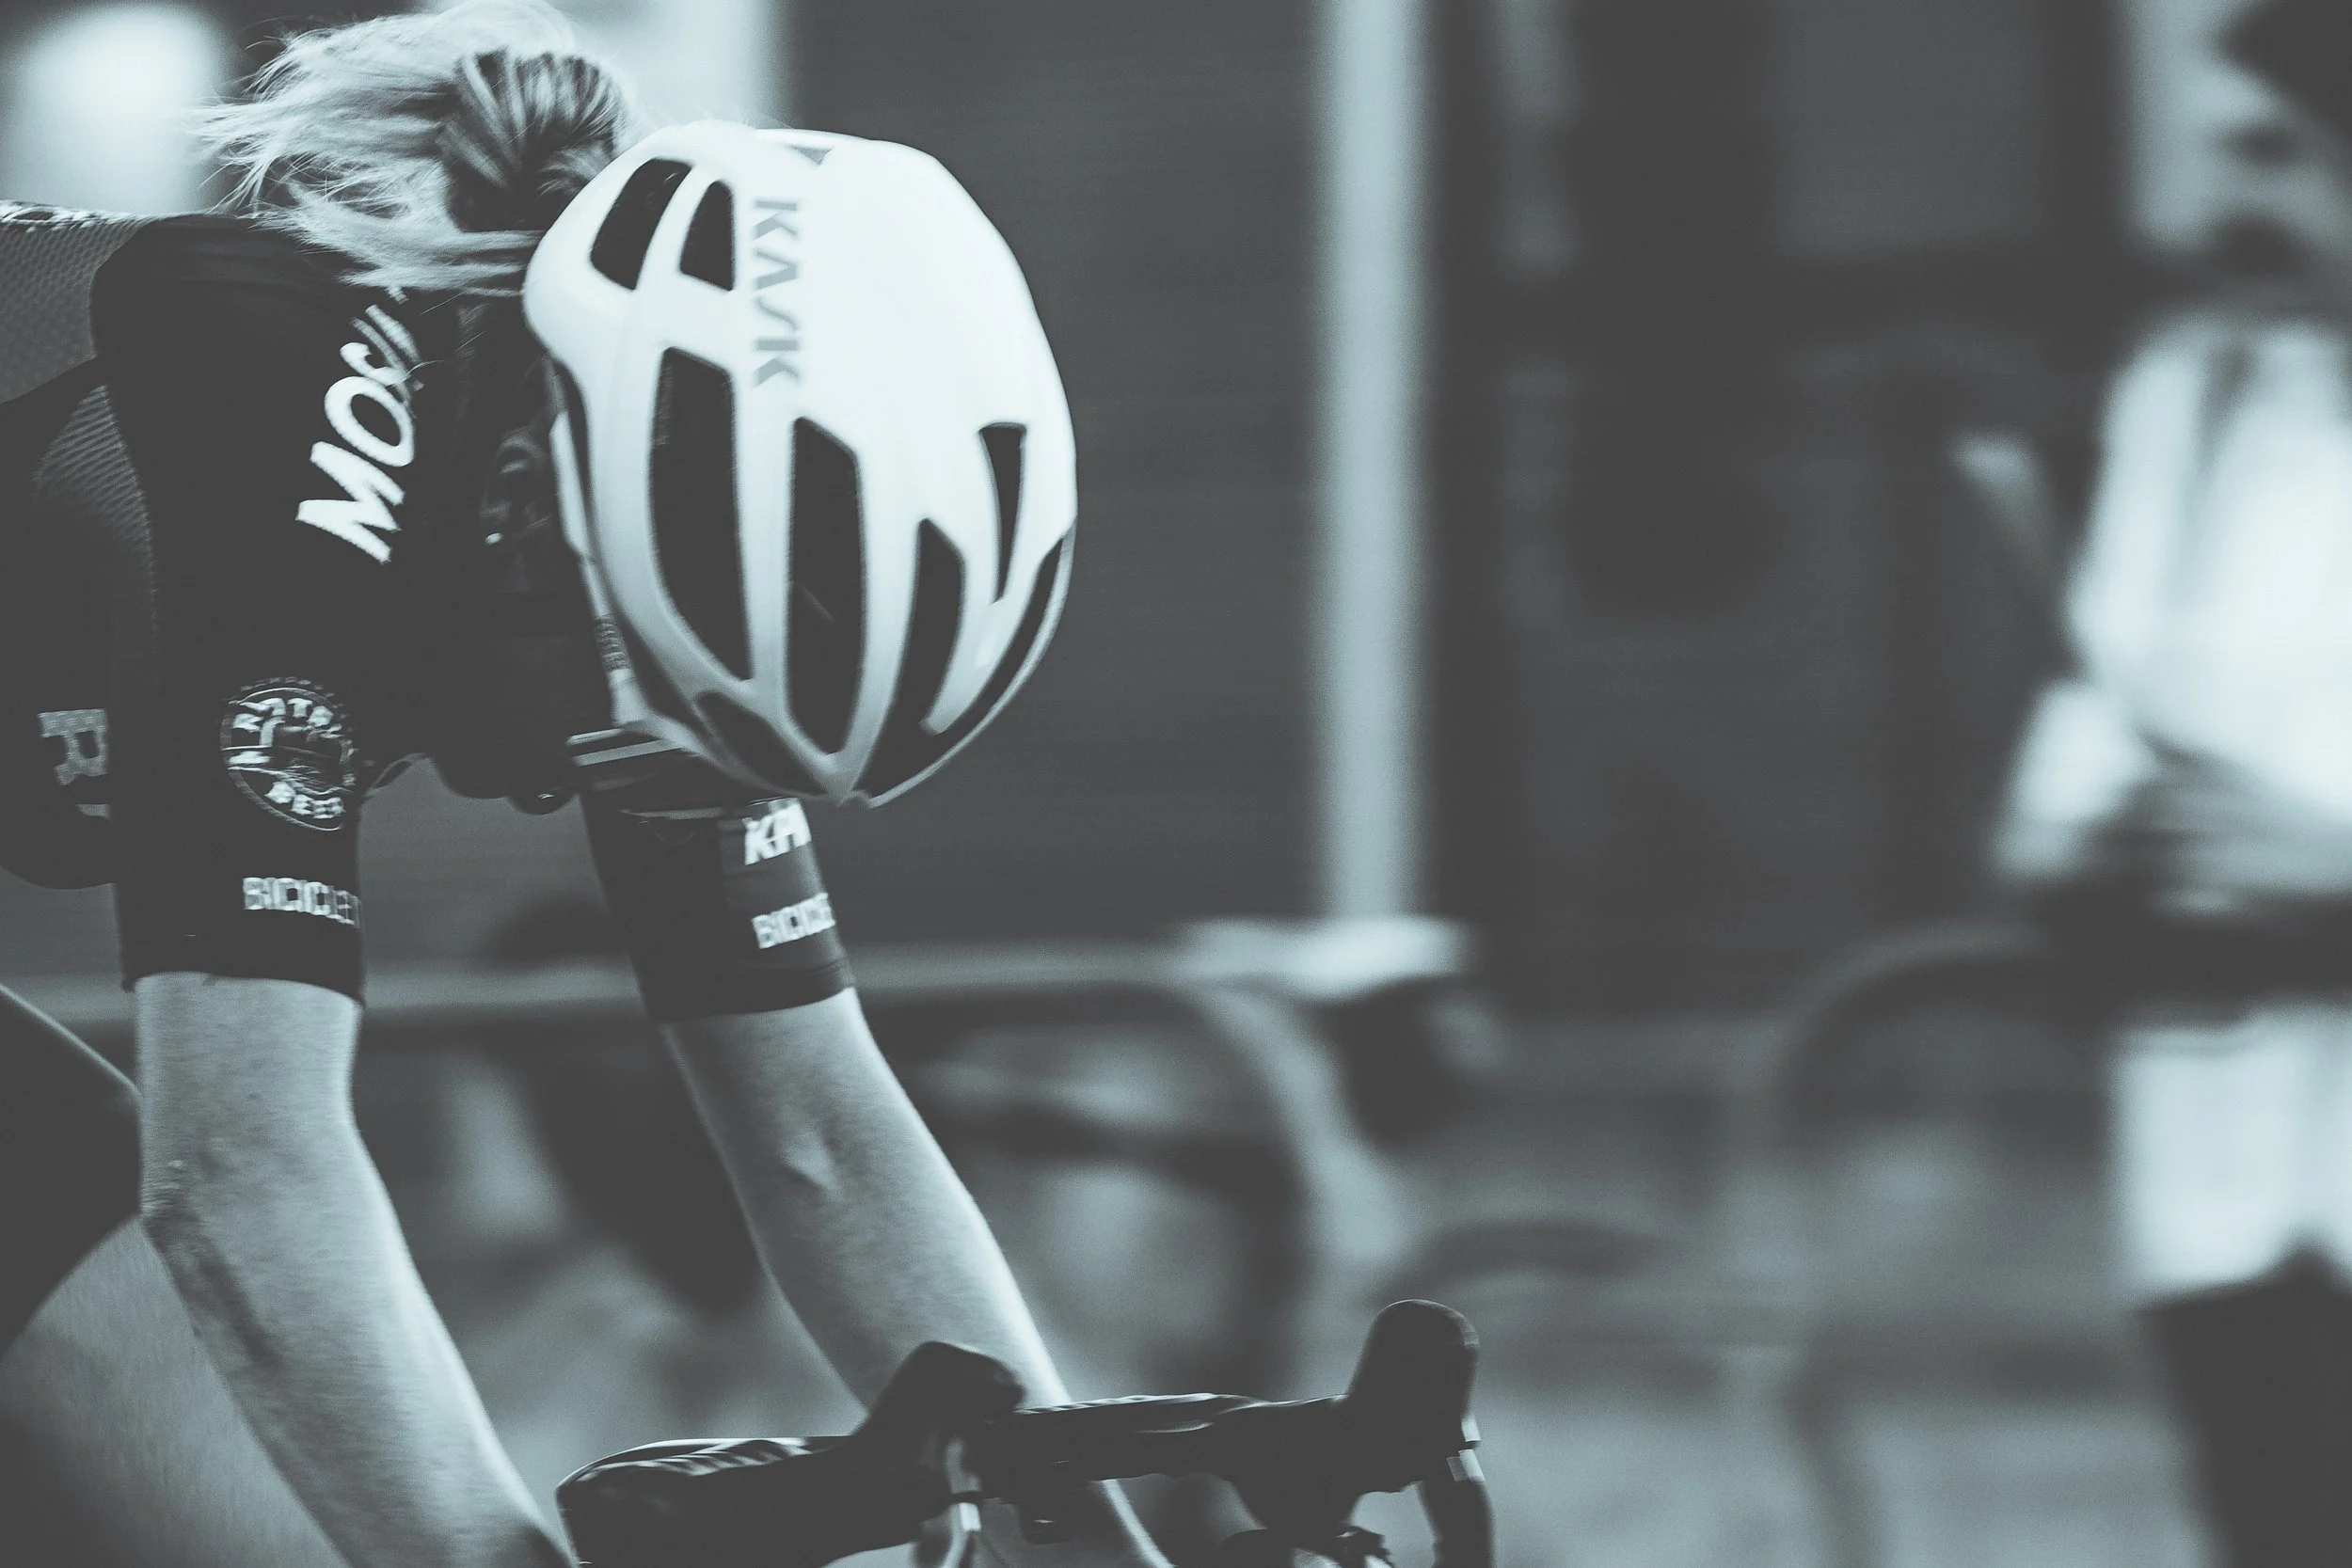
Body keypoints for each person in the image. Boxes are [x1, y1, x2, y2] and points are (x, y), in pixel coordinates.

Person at [0, 5, 1143, 1567]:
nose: (589, 795)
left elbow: (817, 1129)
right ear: (531, 515)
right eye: (630, 731)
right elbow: (243, 1176)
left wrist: (1083, 1543)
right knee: (115, 1268)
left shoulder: (608, 556)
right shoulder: (267, 410)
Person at [1992, 2, 2352, 1561]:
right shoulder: (2188, 407)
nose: (2223, 208)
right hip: (2221, 1186)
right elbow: (2083, 736)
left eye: (2272, 153)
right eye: (2216, 158)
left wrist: (2334, 873)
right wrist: (2094, 846)